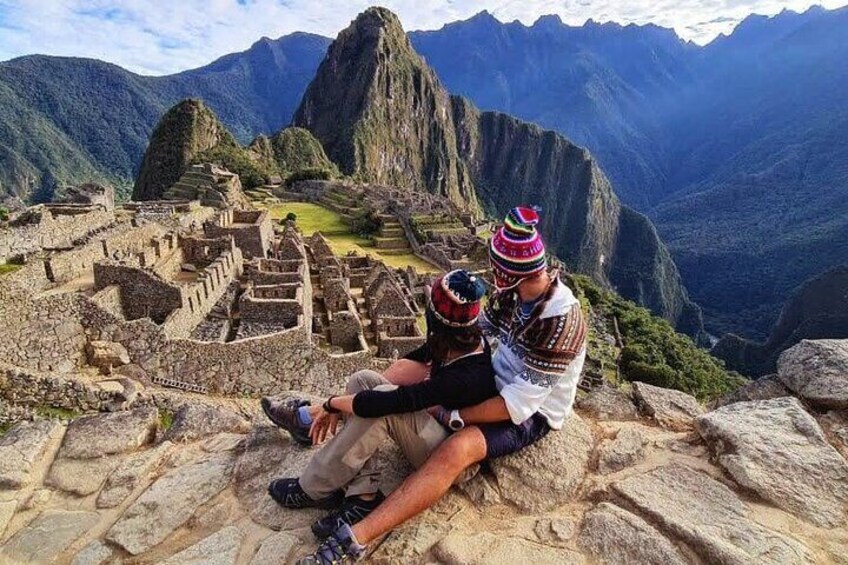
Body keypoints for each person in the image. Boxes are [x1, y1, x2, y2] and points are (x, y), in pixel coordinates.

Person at [297, 207, 588, 564]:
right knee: (382, 382)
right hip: (491, 381)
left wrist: (452, 414)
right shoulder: (511, 296)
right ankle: (317, 419)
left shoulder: (561, 323)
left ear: (506, 270)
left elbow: (516, 407)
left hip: (530, 411)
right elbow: (468, 335)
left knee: (456, 451)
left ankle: (355, 538)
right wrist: (401, 376)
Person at [261, 269, 497, 539]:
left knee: (382, 407)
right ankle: (363, 496)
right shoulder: (455, 341)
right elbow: (410, 363)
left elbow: (398, 401)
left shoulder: (468, 374)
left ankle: (313, 487)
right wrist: (342, 403)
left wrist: (331, 404)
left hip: (452, 458)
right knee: (363, 380)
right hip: (434, 428)